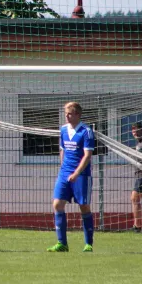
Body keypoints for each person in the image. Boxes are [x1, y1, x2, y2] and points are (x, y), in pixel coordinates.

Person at [47, 102, 95, 253]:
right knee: (57, 205)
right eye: (65, 113)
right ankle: (62, 243)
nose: (66, 116)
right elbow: (62, 150)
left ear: (77, 115)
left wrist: (76, 173)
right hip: (65, 173)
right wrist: (63, 168)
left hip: (81, 175)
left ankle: (88, 244)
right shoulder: (63, 130)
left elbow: (87, 156)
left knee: (84, 207)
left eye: (69, 113)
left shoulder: (86, 131)